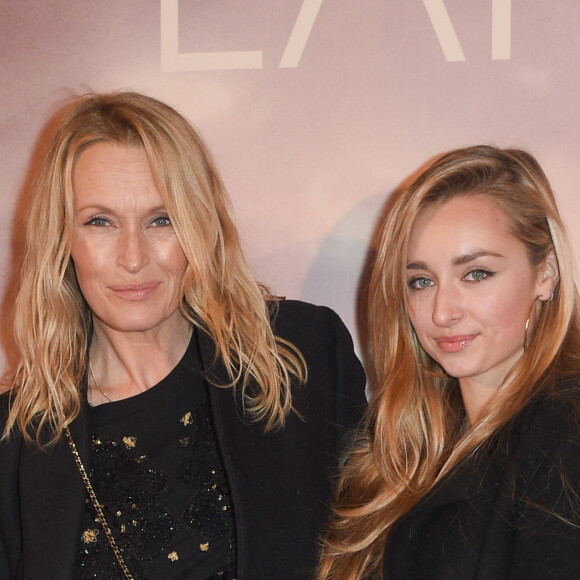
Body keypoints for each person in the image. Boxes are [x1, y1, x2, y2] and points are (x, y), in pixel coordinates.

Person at [0, 91, 366, 580]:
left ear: (200, 225)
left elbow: (379, 547)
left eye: (161, 219)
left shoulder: (300, 353)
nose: (133, 258)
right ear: (63, 240)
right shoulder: (17, 443)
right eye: (100, 222)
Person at [318, 145, 580, 579]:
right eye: (421, 281)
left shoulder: (565, 430)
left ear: (546, 272)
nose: (442, 312)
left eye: (476, 274)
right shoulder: (404, 441)